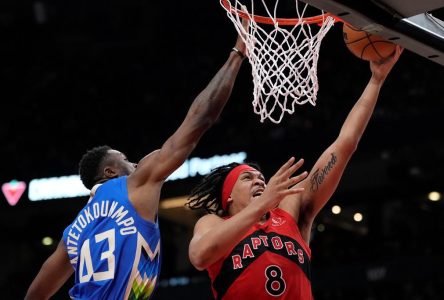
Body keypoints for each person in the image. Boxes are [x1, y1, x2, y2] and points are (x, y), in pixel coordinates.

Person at [24, 29, 249, 300]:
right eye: (127, 161)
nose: (135, 163)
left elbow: (34, 295)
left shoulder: (73, 233)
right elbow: (200, 120)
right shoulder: (135, 183)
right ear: (110, 172)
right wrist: (237, 54)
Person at [187, 46, 403, 300]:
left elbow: (345, 144)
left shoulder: (290, 212)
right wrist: (261, 206)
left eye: (260, 178)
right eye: (247, 178)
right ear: (228, 197)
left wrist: (376, 80)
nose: (259, 179)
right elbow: (200, 256)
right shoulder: (212, 223)